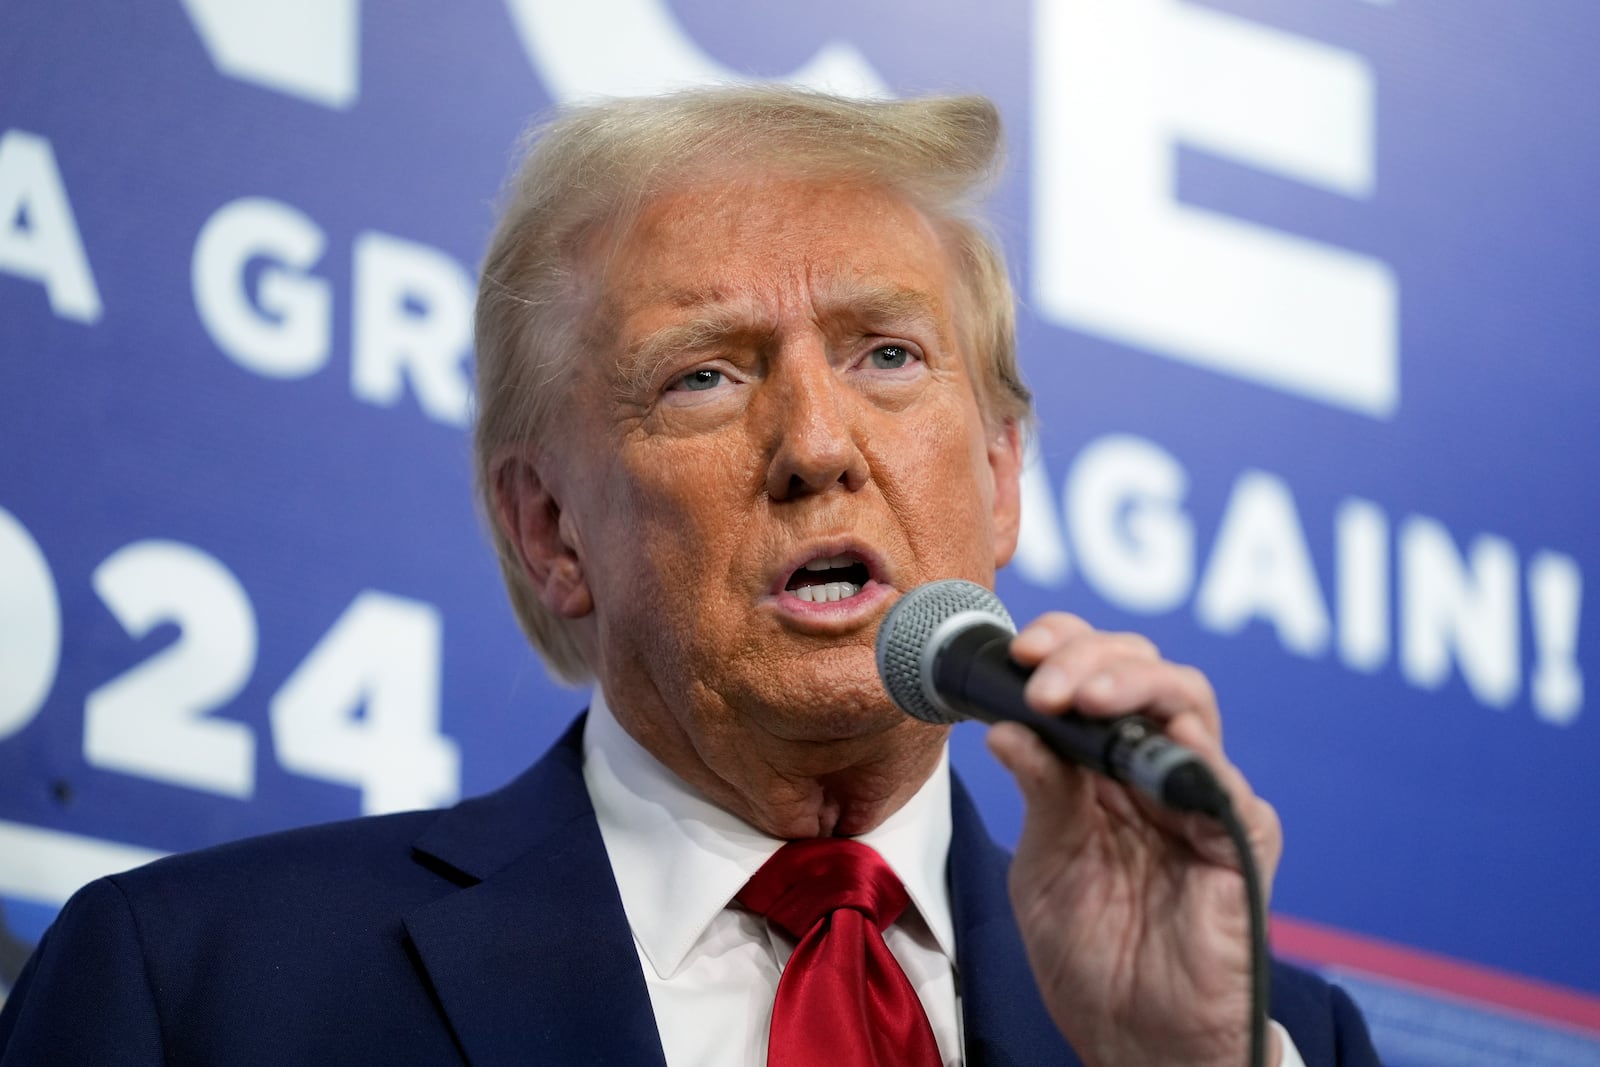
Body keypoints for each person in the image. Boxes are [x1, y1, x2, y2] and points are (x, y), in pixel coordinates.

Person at [0, 87, 1378, 1066]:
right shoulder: (200, 991)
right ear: (552, 531)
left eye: (888, 355)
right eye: (707, 376)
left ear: (1004, 474)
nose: (820, 445)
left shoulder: (1268, 1039)